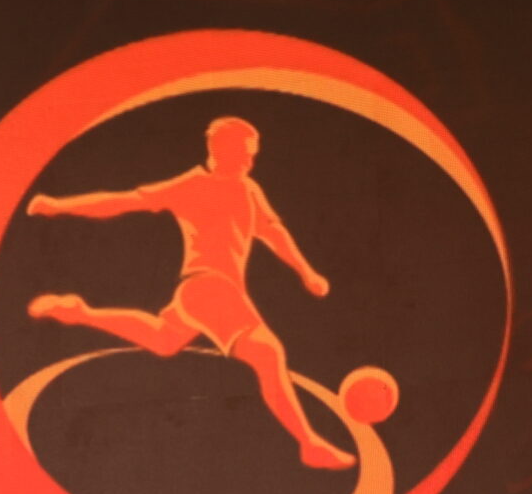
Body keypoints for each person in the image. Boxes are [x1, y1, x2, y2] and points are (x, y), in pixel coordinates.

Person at [26, 116, 353, 470]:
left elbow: (274, 232)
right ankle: (309, 444)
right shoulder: (192, 185)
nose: (250, 161)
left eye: (253, 154)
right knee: (268, 352)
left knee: (164, 339)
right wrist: (57, 206)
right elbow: (123, 201)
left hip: (201, 293)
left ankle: (80, 313)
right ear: (218, 149)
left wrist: (306, 272)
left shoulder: (249, 189)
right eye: (244, 153)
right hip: (209, 286)